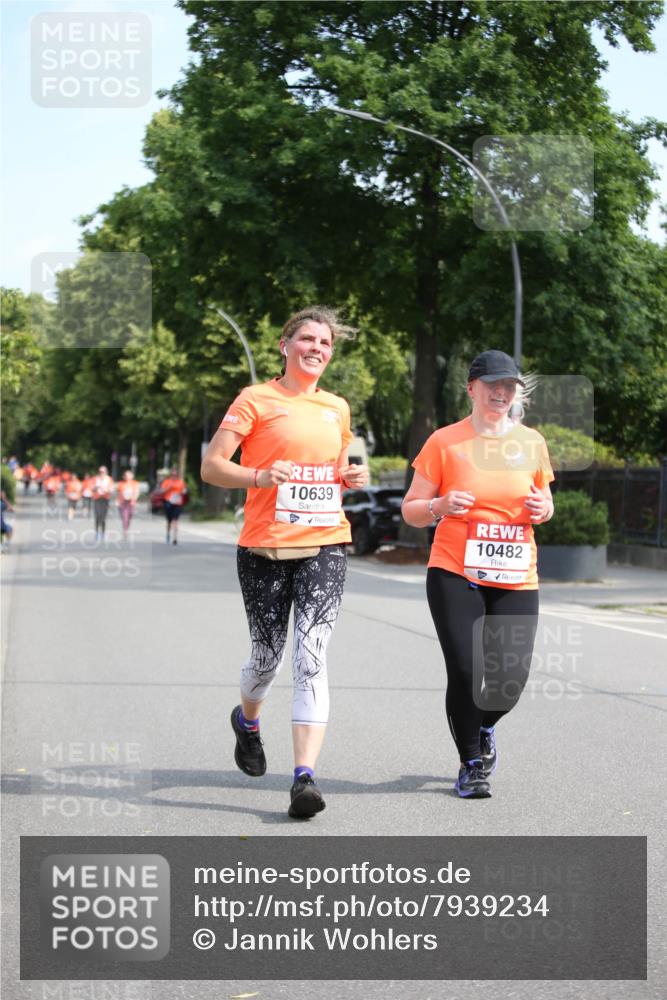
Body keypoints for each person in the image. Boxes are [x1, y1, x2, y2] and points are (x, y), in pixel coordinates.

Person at [201, 305, 369, 819]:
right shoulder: (256, 399)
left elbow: (344, 461)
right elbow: (211, 467)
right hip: (265, 545)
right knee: (267, 657)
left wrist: (352, 476)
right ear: (285, 345)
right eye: (308, 339)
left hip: (325, 542)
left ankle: (304, 779)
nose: (317, 348)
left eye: (325, 343)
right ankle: (248, 721)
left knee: (311, 653)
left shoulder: (336, 407)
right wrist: (259, 477)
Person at [402, 350, 554, 799]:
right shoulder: (444, 442)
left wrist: (544, 509)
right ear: (472, 388)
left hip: (515, 572)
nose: (501, 393)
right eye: (492, 385)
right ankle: (471, 764)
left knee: (509, 680)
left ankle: (485, 727)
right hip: (454, 569)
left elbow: (544, 503)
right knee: (467, 671)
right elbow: (411, 510)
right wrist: (439, 506)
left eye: (509, 387)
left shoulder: (532, 442)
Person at [158, 468, 188, 544]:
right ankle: (168, 534)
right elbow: (161, 491)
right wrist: (168, 488)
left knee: (175, 520)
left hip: (177, 502)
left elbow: (184, 490)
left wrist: (183, 492)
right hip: (168, 502)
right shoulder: (167, 481)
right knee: (169, 521)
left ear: (177, 475)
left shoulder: (180, 482)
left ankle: (175, 538)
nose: (174, 476)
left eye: (175, 475)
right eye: (172, 475)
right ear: (170, 475)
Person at [91, 465, 114, 540]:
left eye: (103, 472)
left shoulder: (109, 479)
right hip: (97, 499)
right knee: (97, 516)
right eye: (100, 472)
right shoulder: (95, 479)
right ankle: (97, 532)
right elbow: (92, 488)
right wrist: (96, 487)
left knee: (103, 518)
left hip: (105, 499)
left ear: (106, 472)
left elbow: (111, 490)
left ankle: (103, 533)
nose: (101, 473)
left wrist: (106, 489)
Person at [116, 469, 140, 540]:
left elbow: (137, 492)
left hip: (131, 502)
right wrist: (117, 501)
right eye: (126, 475)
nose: (127, 477)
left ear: (132, 476)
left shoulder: (135, 483)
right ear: (124, 476)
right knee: (124, 517)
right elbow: (119, 493)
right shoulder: (121, 484)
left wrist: (134, 499)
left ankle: (126, 528)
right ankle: (125, 531)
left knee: (129, 517)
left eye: (129, 475)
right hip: (123, 503)